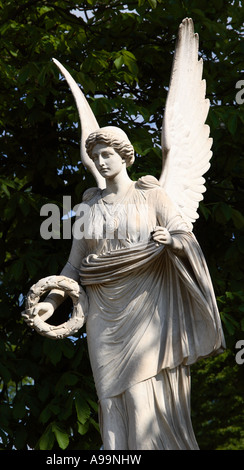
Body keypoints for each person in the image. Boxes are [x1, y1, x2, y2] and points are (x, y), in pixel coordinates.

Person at [29, 126, 225, 450]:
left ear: (124, 155)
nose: (101, 162)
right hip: (103, 313)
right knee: (108, 398)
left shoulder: (151, 194)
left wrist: (172, 241)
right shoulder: (88, 208)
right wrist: (50, 304)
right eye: (95, 157)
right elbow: (73, 267)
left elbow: (184, 234)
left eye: (107, 154)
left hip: (147, 303)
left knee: (140, 393)